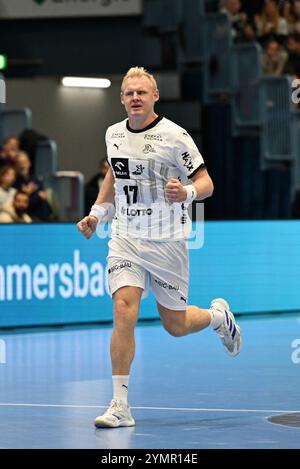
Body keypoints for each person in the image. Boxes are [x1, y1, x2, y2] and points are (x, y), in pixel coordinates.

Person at [77, 67, 242, 428]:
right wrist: (97, 214)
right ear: (122, 99)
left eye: (142, 92)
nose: (135, 97)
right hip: (125, 239)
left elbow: (206, 182)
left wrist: (185, 193)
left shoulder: (174, 136)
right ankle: (120, 405)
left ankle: (218, 317)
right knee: (123, 309)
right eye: (129, 93)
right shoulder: (113, 134)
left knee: (176, 325)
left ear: (154, 97)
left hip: (167, 242)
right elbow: (114, 176)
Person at [14, 151, 52, 221]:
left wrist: (39, 197)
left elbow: (42, 196)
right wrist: (27, 194)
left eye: (24, 162)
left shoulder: (36, 179)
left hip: (43, 216)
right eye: (20, 163)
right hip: (27, 217)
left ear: (29, 163)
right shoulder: (15, 182)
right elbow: (20, 204)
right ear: (16, 166)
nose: (22, 166)